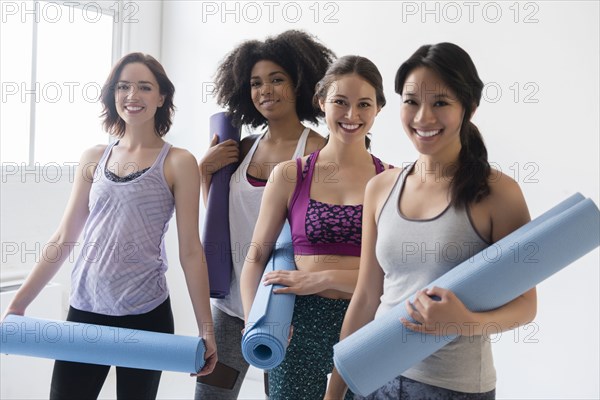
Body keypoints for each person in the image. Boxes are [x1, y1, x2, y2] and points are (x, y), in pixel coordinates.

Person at [325, 42, 537, 400]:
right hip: (374, 376)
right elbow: (365, 297)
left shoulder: (499, 194)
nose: (423, 117)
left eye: (440, 103)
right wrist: (335, 389)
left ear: (468, 106)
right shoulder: (380, 188)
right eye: (411, 102)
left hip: (453, 388)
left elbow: (526, 306)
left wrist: (465, 323)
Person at [1, 52, 217, 399]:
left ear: (161, 97)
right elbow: (64, 236)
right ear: (112, 95)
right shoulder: (93, 157)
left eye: (144, 87)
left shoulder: (179, 162)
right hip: (86, 310)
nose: (133, 96)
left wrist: (206, 328)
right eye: (123, 87)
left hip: (146, 316)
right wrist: (19, 304)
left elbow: (191, 251)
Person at [240, 55, 393, 400]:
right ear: (322, 102)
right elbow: (255, 259)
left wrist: (321, 278)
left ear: (378, 109)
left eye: (363, 104)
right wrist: (258, 323)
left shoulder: (393, 181)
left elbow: (393, 276)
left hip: (369, 325)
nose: (351, 115)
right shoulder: (290, 174)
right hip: (298, 323)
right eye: (340, 102)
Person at [195, 30, 335, 399]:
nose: (265, 91)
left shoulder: (320, 151)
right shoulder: (241, 148)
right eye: (256, 83)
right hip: (232, 307)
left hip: (288, 309)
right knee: (211, 395)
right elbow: (224, 219)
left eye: (277, 79)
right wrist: (204, 173)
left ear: (299, 84)